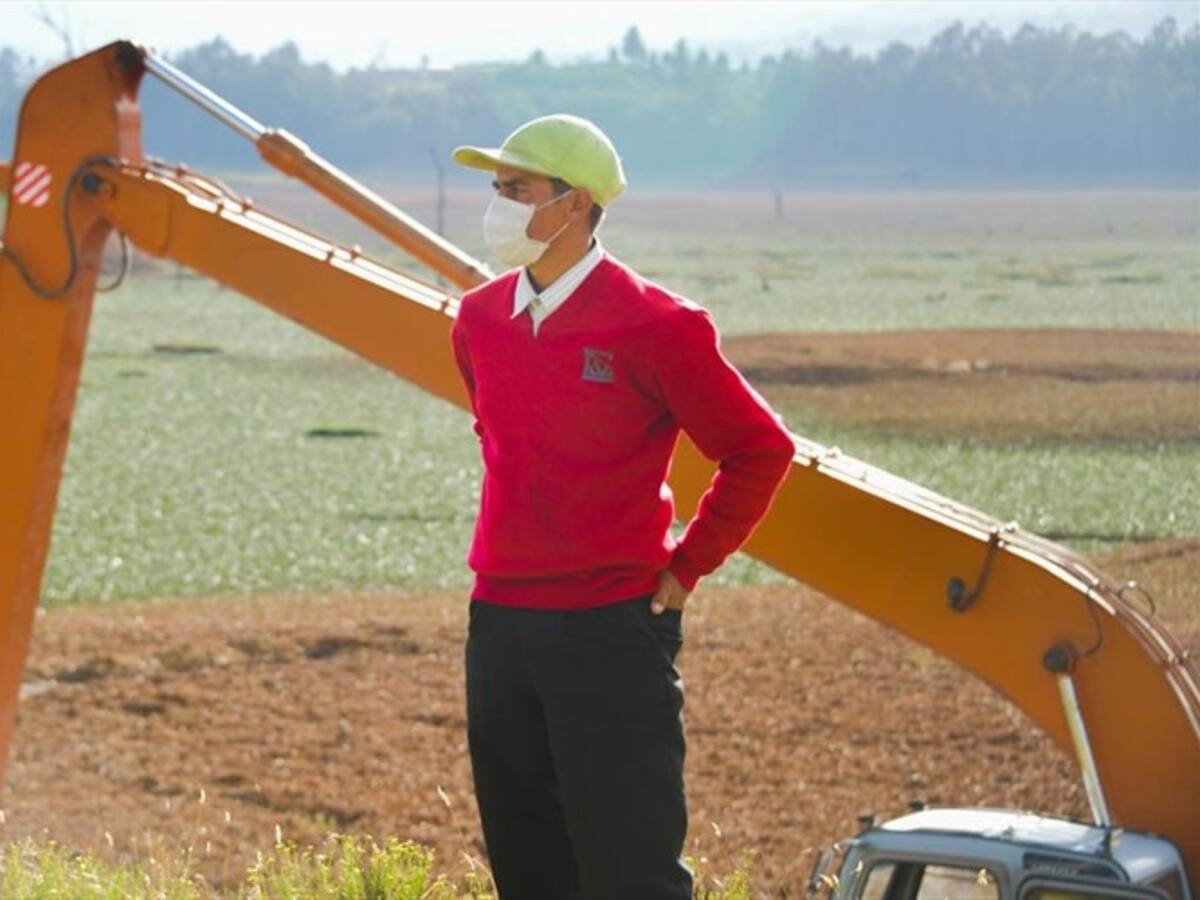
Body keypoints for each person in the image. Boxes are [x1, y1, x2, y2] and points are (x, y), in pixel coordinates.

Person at [449, 114, 795, 900]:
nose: (498, 205)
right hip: (499, 626)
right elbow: (502, 441)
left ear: (575, 204)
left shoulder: (659, 325)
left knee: (629, 873)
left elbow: (759, 450)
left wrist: (688, 567)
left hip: (610, 628)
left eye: (517, 189)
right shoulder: (476, 321)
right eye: (496, 188)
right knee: (528, 868)